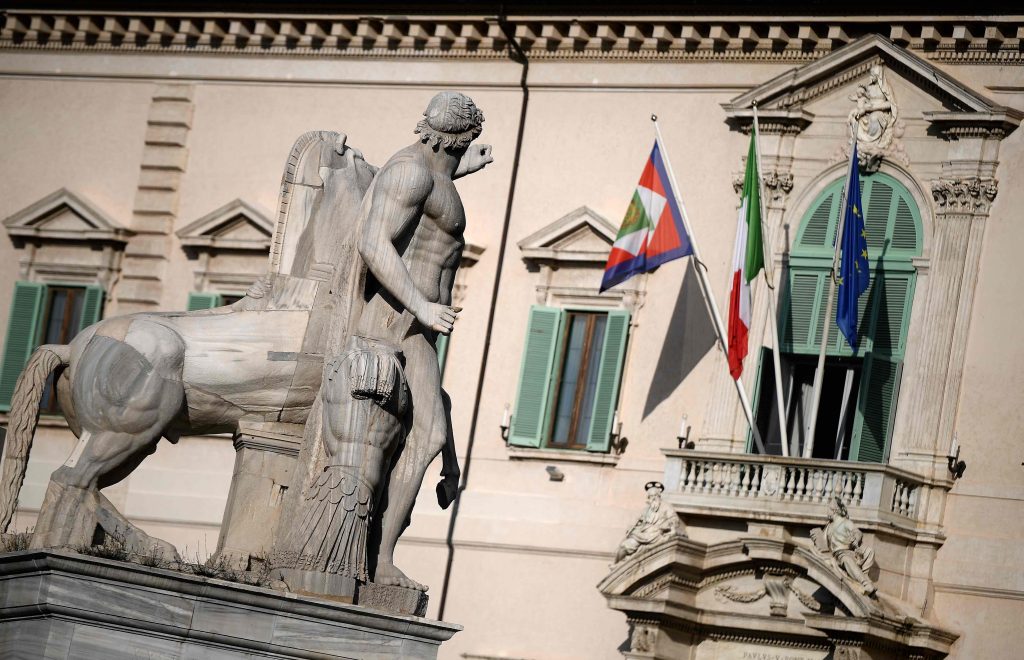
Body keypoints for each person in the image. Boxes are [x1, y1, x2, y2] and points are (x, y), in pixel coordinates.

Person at [350, 91, 492, 591]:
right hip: (397, 320)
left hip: (420, 327)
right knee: (427, 432)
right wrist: (421, 304)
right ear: (462, 136)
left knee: (430, 424)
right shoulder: (411, 172)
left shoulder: (434, 173)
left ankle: (382, 548)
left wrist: (460, 171)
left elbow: (433, 208)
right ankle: (380, 558)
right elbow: (373, 242)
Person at [615, 481, 683, 563]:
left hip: (656, 534)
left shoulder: (666, 507)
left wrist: (666, 526)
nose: (652, 499)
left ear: (658, 496)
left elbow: (674, 520)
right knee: (624, 546)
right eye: (650, 497)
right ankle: (617, 565)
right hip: (643, 534)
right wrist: (632, 527)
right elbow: (640, 523)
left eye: (654, 496)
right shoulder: (646, 510)